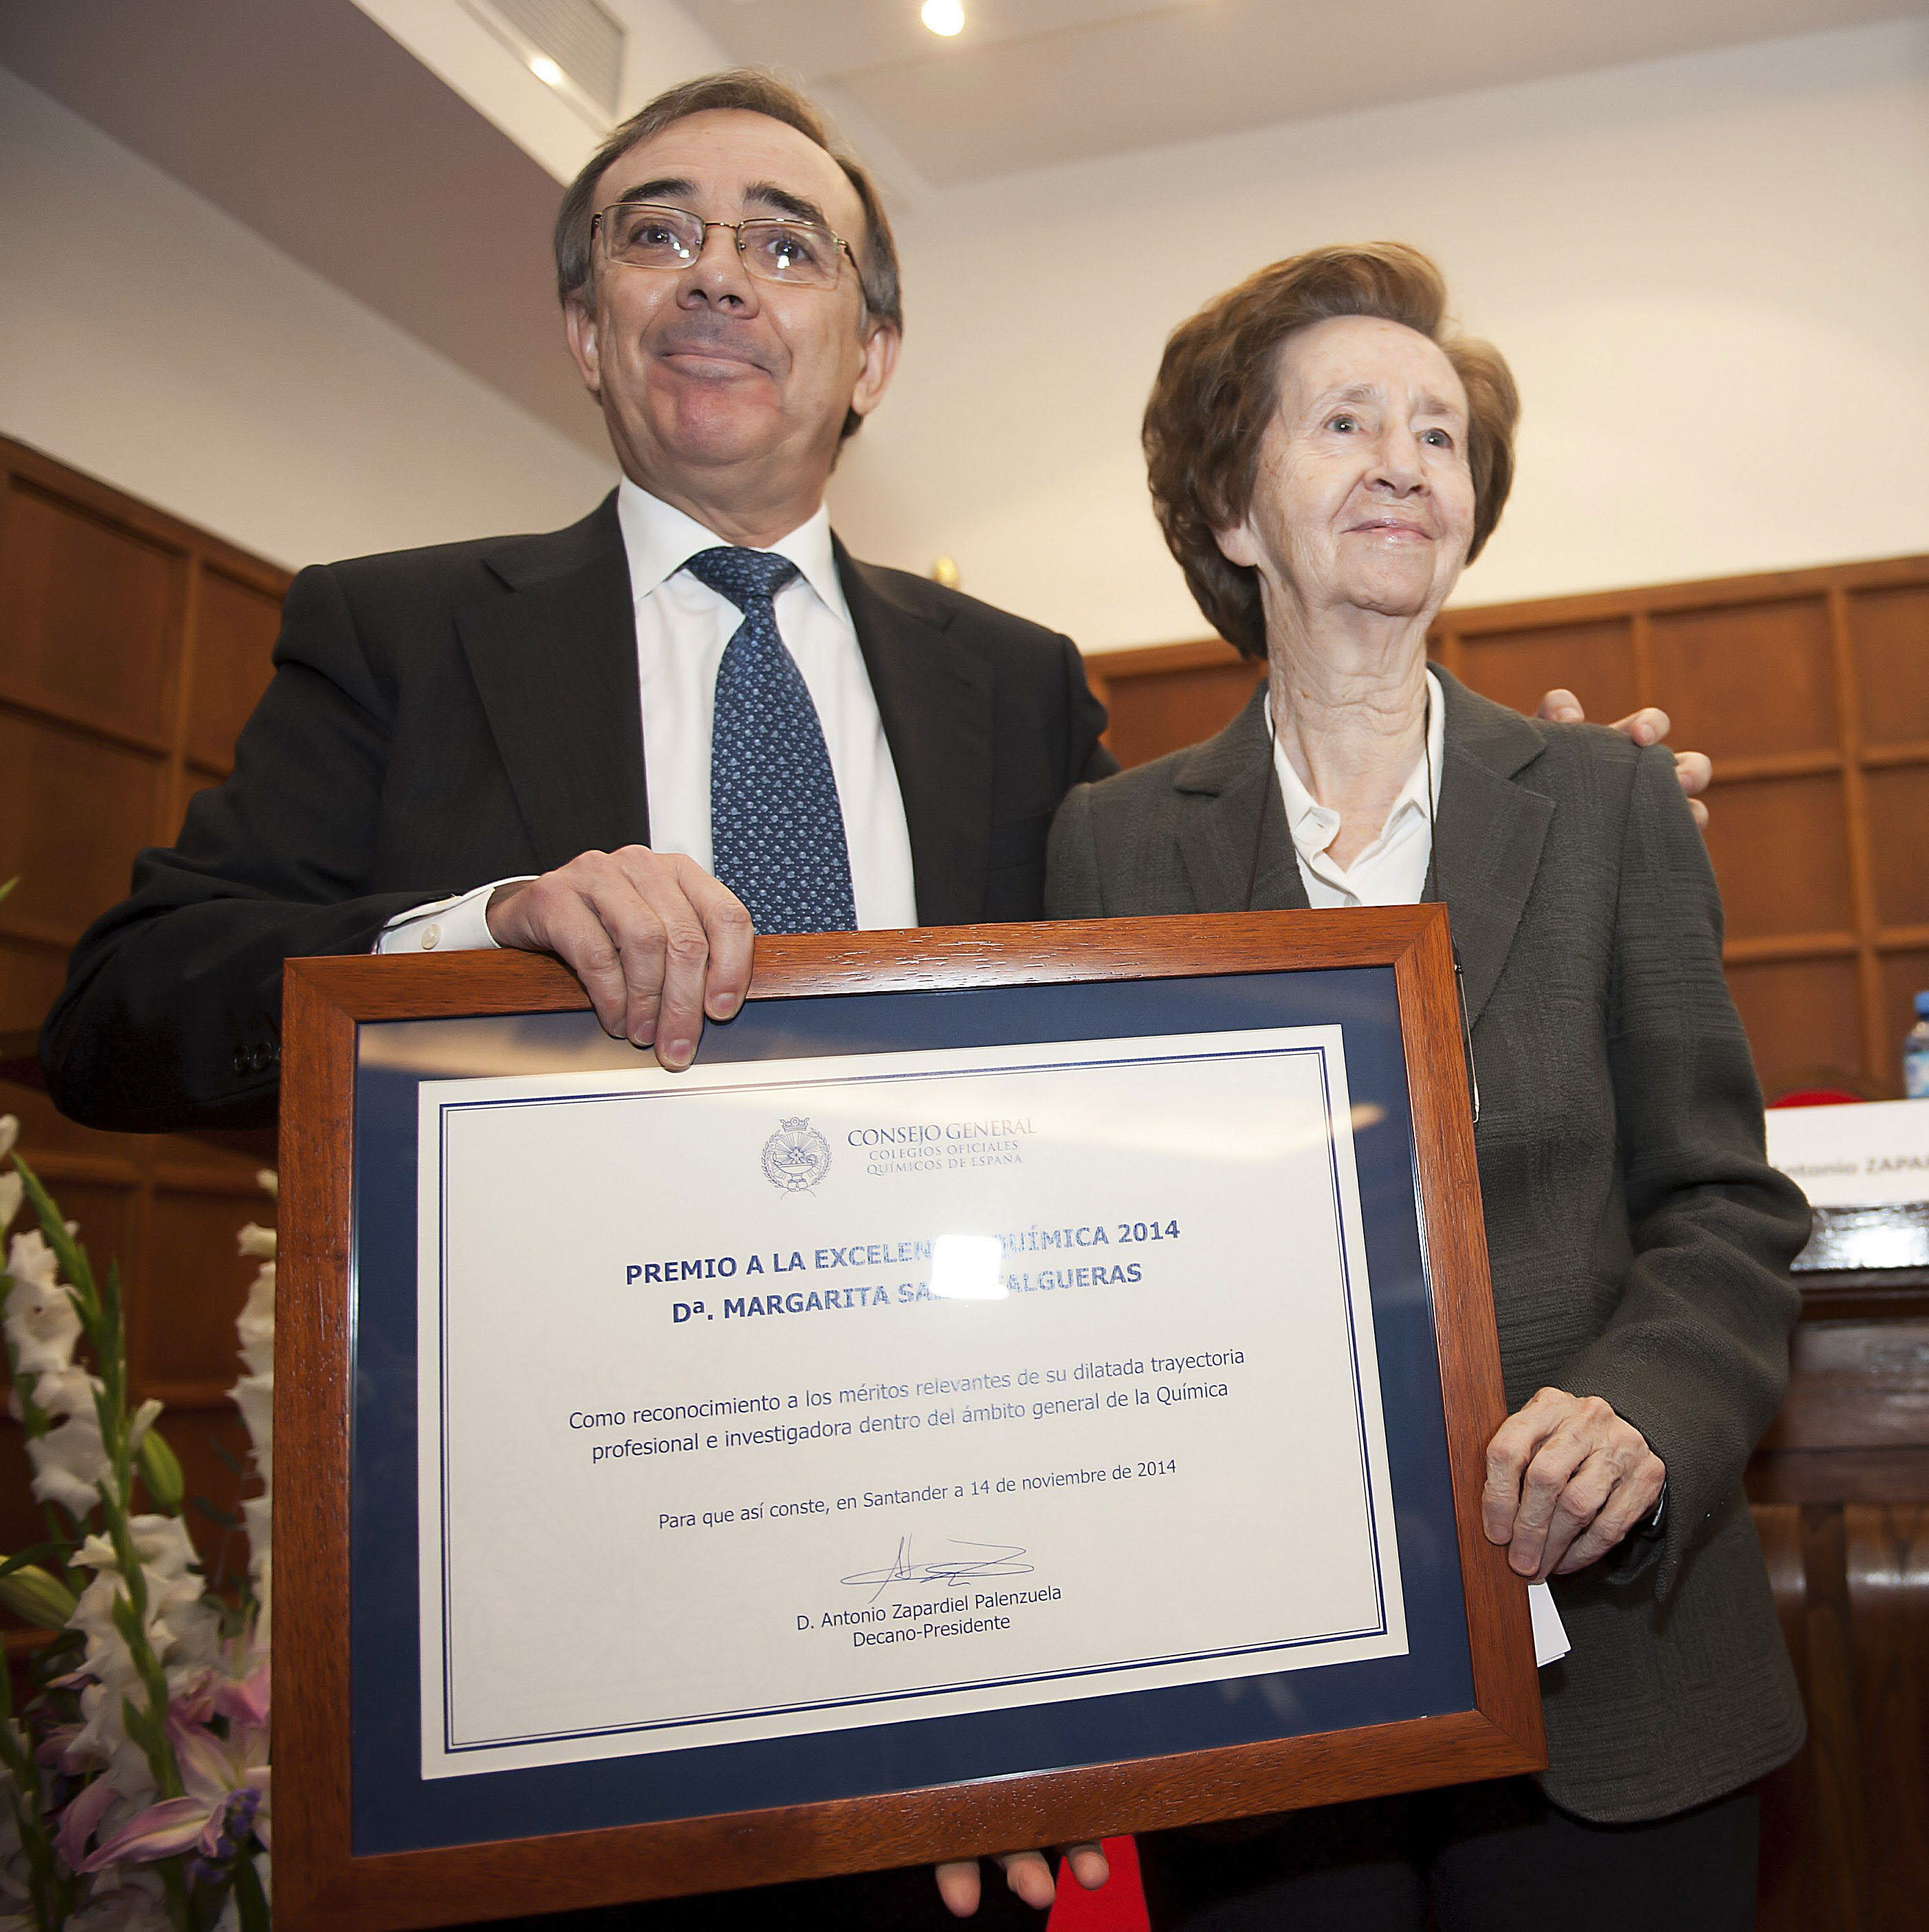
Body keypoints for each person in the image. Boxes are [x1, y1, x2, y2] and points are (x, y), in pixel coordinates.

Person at [36, 69, 1710, 1928]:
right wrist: (473, 930)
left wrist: (1520, 817)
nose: (717, 276)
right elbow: (114, 1015)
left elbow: (1170, 1079)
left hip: (969, 1666)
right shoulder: (398, 632)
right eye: (655, 233)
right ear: (586, 327)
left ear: (871, 349)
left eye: (783, 241)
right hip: (574, 1651)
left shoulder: (1015, 694)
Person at [1020, 241, 1809, 1931]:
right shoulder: (1109, 841)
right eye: (1344, 423)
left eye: (1437, 434)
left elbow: (1721, 1206)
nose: (1401, 460)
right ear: (1230, 514)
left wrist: (1641, 1419)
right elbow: (1085, 1251)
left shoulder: (1608, 800)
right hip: (1263, 1689)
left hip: (1618, 1679)